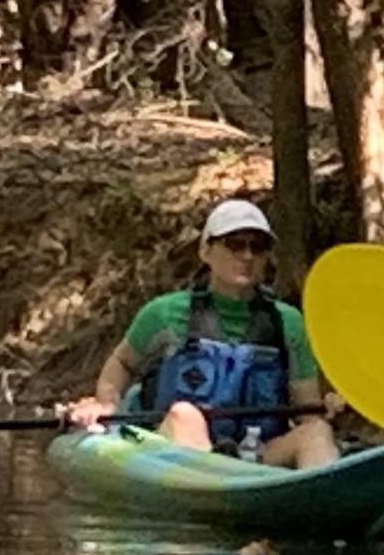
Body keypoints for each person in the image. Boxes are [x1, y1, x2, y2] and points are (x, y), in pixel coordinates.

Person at [62, 198, 340, 468]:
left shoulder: (288, 322)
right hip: (175, 450)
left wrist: (326, 410)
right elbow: (122, 363)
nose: (247, 256)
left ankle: (326, 501)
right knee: (184, 414)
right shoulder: (164, 314)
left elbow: (307, 410)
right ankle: (218, 491)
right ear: (205, 252)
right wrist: (106, 404)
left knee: (317, 432)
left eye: (258, 247)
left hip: (256, 456)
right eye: (234, 245)